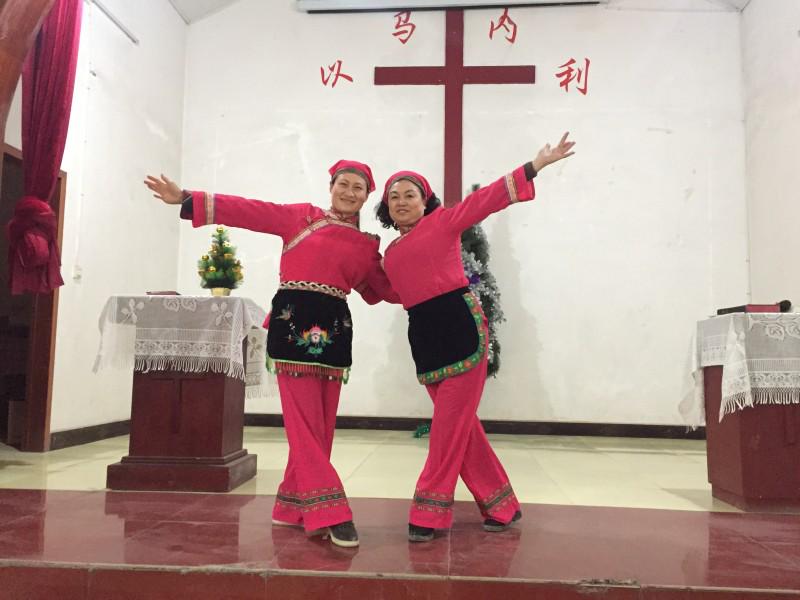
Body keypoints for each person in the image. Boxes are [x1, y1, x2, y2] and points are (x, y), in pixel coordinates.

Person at [145, 160, 399, 547]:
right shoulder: (300, 218)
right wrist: (186, 199)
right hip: (291, 324)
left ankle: (291, 506)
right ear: (330, 186)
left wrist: (428, 256)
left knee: (321, 428)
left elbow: (385, 292)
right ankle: (331, 510)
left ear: (367, 197)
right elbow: (249, 210)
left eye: (359, 188)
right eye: (343, 184)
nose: (350, 192)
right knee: (302, 425)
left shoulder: (367, 247)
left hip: (335, 335)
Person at [375, 133, 576, 542]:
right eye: (393, 196)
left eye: (409, 193)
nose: (400, 201)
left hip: (462, 331)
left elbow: (485, 201)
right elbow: (392, 293)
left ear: (425, 199)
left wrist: (534, 166)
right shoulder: (391, 253)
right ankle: (501, 504)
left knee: (447, 430)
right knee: (462, 429)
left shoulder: (443, 222)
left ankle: (430, 510)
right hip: (426, 342)